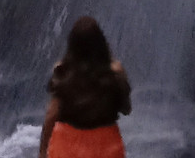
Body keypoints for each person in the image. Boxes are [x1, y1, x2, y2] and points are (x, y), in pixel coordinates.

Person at [39, 16, 131, 158]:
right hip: (106, 147)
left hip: (67, 147)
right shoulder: (115, 72)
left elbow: (51, 114)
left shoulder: (63, 71)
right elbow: (126, 109)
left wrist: (42, 151)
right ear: (101, 43)